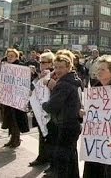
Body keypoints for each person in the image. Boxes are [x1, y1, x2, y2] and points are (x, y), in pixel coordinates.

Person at [42, 50, 82, 178]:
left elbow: (51, 107)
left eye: (61, 67)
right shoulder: (74, 80)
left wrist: (42, 104)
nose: (58, 70)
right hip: (72, 124)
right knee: (71, 158)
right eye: (56, 67)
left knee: (63, 161)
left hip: (65, 125)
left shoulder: (64, 84)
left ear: (69, 67)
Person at [29, 51, 55, 167]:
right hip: (39, 109)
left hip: (48, 110)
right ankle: (42, 157)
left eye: (44, 62)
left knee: (48, 135)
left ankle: (48, 159)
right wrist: (36, 76)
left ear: (50, 63)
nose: (41, 64)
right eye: (40, 62)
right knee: (41, 133)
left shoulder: (53, 75)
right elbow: (34, 88)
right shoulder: (41, 74)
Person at [0, 48, 30, 148]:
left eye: (12, 56)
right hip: (8, 98)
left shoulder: (21, 66)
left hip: (17, 99)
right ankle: (12, 138)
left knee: (16, 119)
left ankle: (16, 139)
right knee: (10, 119)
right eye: (8, 56)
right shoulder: (6, 66)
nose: (9, 57)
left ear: (16, 57)